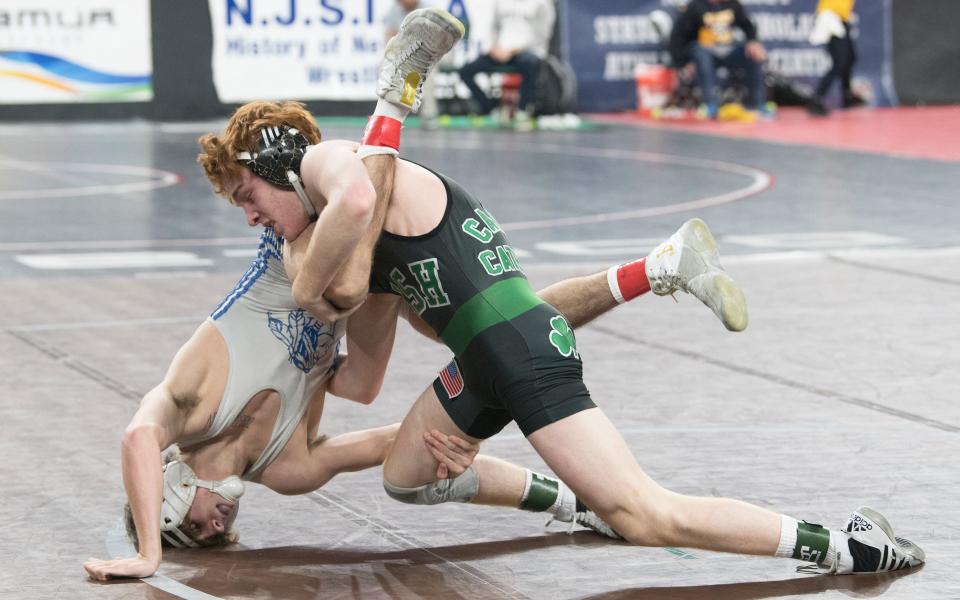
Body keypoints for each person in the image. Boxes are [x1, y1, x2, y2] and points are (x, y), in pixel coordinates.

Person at [196, 8, 923, 578]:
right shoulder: (344, 230)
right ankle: (580, 495)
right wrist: (299, 368)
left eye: (248, 196)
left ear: (283, 165)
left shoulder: (333, 164)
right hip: (488, 352)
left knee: (648, 516)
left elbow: (349, 231)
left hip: (517, 351)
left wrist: (310, 294)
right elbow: (361, 380)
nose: (252, 218)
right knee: (409, 476)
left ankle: (849, 547)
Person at [457, 0, 555, 131]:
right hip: (502, 50)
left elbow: (542, 35)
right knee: (466, 71)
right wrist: (494, 47)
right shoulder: (501, 2)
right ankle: (493, 108)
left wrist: (514, 50)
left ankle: (523, 110)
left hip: (529, 51)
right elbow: (494, 28)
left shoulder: (542, 3)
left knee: (529, 64)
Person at [669, 0, 769, 120]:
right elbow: (678, 36)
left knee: (753, 55)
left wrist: (753, 42)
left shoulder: (733, 4)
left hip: (729, 50)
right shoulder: (694, 6)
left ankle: (756, 104)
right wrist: (682, 63)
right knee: (700, 54)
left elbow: (748, 26)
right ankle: (710, 105)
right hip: (705, 51)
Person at [384, 0, 440, 129]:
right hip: (406, 52)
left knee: (429, 72)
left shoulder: (428, 10)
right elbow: (390, 37)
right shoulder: (395, 10)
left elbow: (434, 41)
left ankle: (429, 115)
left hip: (432, 53)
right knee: (384, 65)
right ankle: (389, 114)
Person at [807, 0, 866, 116]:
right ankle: (816, 99)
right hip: (831, 18)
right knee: (839, 63)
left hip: (842, 19)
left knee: (850, 58)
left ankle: (847, 96)